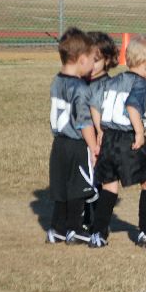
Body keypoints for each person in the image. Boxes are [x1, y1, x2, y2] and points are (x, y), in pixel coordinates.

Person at [87, 34, 146, 248]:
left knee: (109, 186)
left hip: (109, 138)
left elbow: (94, 105)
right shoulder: (140, 83)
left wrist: (100, 130)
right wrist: (139, 133)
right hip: (127, 137)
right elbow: (132, 107)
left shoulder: (112, 81)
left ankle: (98, 233)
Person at [46, 27, 99, 244]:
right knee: (78, 187)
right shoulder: (81, 88)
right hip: (76, 145)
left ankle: (57, 229)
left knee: (61, 188)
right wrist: (94, 147)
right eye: (92, 60)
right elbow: (84, 122)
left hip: (58, 144)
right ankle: (75, 228)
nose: (93, 65)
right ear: (81, 59)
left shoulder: (56, 81)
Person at [82, 31, 119, 231]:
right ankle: (85, 218)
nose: (91, 65)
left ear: (107, 60)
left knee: (99, 180)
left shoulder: (109, 85)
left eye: (96, 61)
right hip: (82, 139)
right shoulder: (81, 82)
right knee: (84, 180)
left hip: (101, 139)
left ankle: (96, 221)